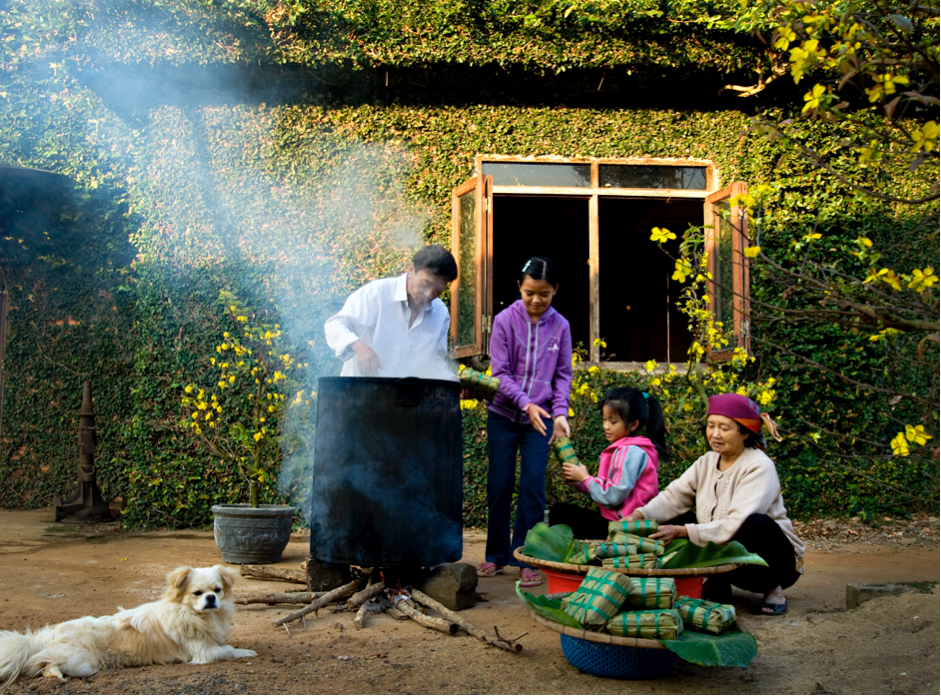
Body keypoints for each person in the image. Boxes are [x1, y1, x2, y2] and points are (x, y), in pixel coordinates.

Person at [624, 393, 803, 615]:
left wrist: (681, 531)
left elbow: (734, 525)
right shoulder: (706, 461)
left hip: (775, 562)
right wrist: (639, 515)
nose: (715, 434)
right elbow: (674, 497)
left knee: (754, 523)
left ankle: (773, 589)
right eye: (711, 426)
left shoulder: (759, 466)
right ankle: (718, 581)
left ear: (745, 432)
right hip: (725, 553)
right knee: (673, 517)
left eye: (724, 428)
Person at [477, 257, 573, 587]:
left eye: (544, 294)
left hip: (541, 421)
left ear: (555, 291)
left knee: (533, 488)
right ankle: (495, 556)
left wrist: (559, 412)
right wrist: (525, 403)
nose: (536, 300)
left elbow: (563, 376)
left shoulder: (561, 326)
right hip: (503, 415)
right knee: (499, 486)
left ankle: (527, 559)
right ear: (520, 286)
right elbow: (500, 373)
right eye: (530, 292)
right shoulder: (504, 321)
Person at [324, 244, 458, 381]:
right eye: (425, 283)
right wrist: (359, 347)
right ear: (411, 269)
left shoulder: (440, 313)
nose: (429, 294)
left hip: (403, 400)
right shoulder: (377, 293)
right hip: (359, 394)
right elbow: (334, 324)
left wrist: (454, 384)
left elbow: (433, 361)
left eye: (438, 289)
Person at [549, 387, 666, 540]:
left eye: (613, 421)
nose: (606, 426)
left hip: (623, 529)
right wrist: (580, 482)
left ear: (633, 425)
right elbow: (607, 491)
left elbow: (612, 497)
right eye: (604, 419)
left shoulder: (631, 452)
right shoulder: (625, 449)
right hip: (612, 523)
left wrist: (586, 478)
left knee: (560, 512)